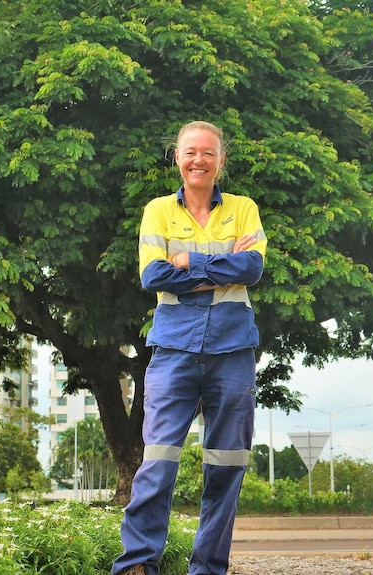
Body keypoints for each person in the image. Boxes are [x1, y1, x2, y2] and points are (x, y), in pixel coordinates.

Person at [112, 121, 267, 575]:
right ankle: (138, 565)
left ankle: (208, 569)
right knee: (157, 462)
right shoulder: (158, 211)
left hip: (233, 350)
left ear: (221, 161)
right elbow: (153, 277)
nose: (198, 160)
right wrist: (222, 267)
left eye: (208, 152)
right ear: (176, 157)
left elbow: (252, 268)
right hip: (174, 348)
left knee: (225, 467)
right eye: (190, 152)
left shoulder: (244, 209)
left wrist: (190, 261)